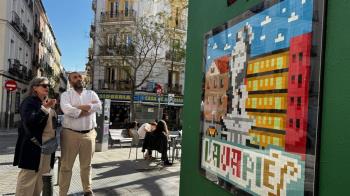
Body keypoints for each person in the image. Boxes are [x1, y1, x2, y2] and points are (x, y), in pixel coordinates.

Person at [59, 72, 102, 196]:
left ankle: (87, 190)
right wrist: (89, 108)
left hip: (89, 135)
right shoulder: (66, 95)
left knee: (86, 165)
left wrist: (78, 107)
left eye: (80, 77)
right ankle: (62, 193)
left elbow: (98, 106)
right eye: (75, 77)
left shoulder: (91, 93)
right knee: (66, 166)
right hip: (69, 134)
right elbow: (67, 110)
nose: (78, 79)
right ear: (70, 81)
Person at [13, 77, 57, 196]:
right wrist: (45, 108)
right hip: (33, 146)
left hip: (47, 148)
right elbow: (29, 121)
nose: (47, 87)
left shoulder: (45, 102)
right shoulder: (29, 102)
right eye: (44, 85)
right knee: (28, 178)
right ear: (35, 88)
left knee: (40, 180)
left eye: (48, 85)